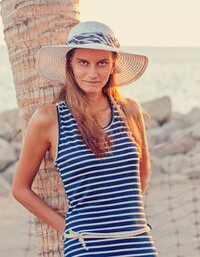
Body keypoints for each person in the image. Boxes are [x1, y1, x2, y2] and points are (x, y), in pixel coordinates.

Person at [12, 21, 159, 256]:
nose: (93, 73)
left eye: (102, 63)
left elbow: (143, 173)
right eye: (83, 62)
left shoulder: (130, 110)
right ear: (69, 63)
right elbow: (20, 188)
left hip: (137, 241)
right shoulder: (48, 119)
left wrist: (121, 218)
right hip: (85, 245)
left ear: (113, 65)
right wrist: (68, 228)